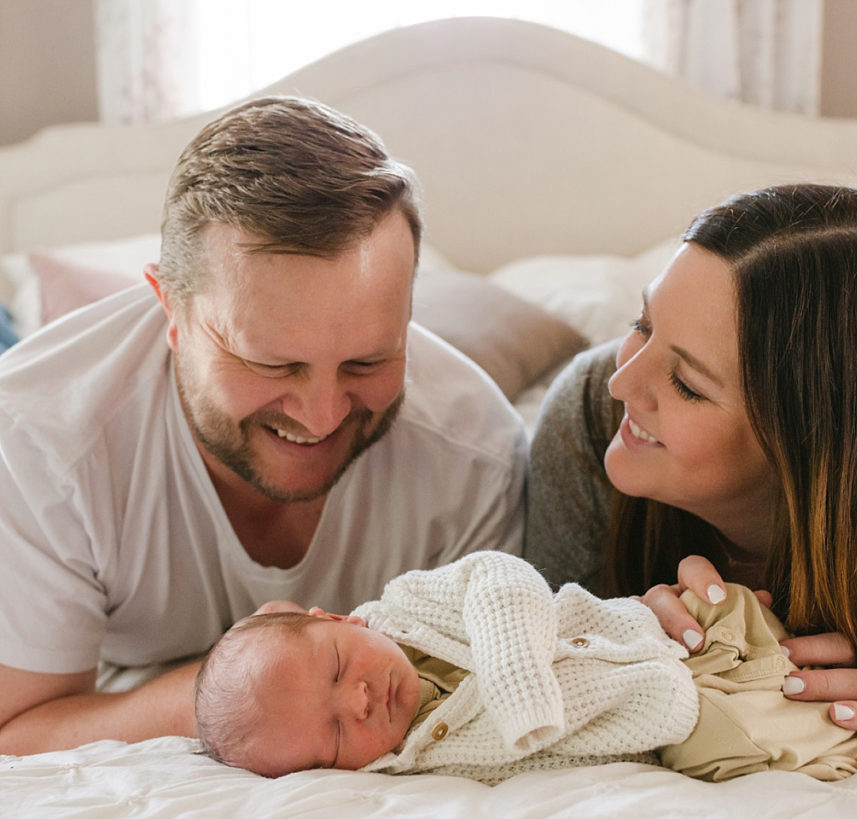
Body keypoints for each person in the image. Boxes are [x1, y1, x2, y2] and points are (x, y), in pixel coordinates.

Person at [0, 96, 526, 755]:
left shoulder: (476, 457)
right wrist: (237, 701)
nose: (323, 414)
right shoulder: (37, 443)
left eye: (368, 358)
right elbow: (16, 729)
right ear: (170, 309)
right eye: (272, 362)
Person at [525, 183, 857, 764]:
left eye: (687, 385)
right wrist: (619, 639)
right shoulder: (590, 414)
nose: (623, 383)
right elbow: (532, 677)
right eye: (641, 324)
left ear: (815, 447)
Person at [194, 550, 857, 782]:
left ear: (336, 620)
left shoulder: (410, 603)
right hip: (674, 717)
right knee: (769, 743)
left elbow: (503, 576)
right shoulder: (420, 766)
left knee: (748, 614)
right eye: (336, 736)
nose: (362, 699)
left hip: (665, 628)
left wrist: (516, 679)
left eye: (340, 665)